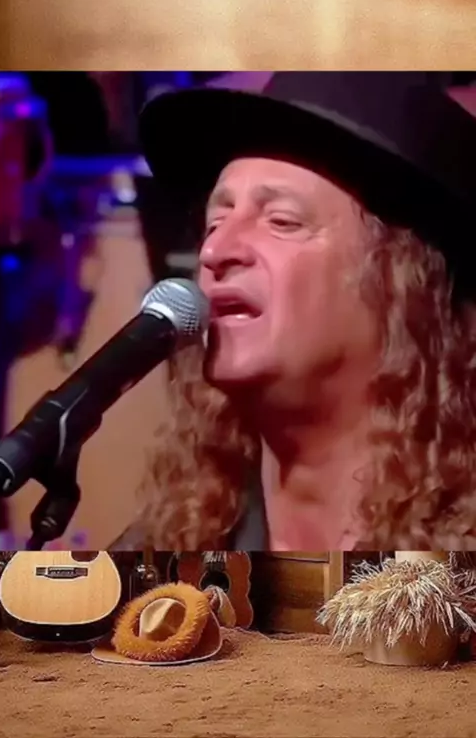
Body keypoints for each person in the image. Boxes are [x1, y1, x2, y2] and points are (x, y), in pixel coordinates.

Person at [109, 72, 476, 552]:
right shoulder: (170, 549)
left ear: (403, 282)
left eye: (281, 221)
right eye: (214, 222)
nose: (215, 251)